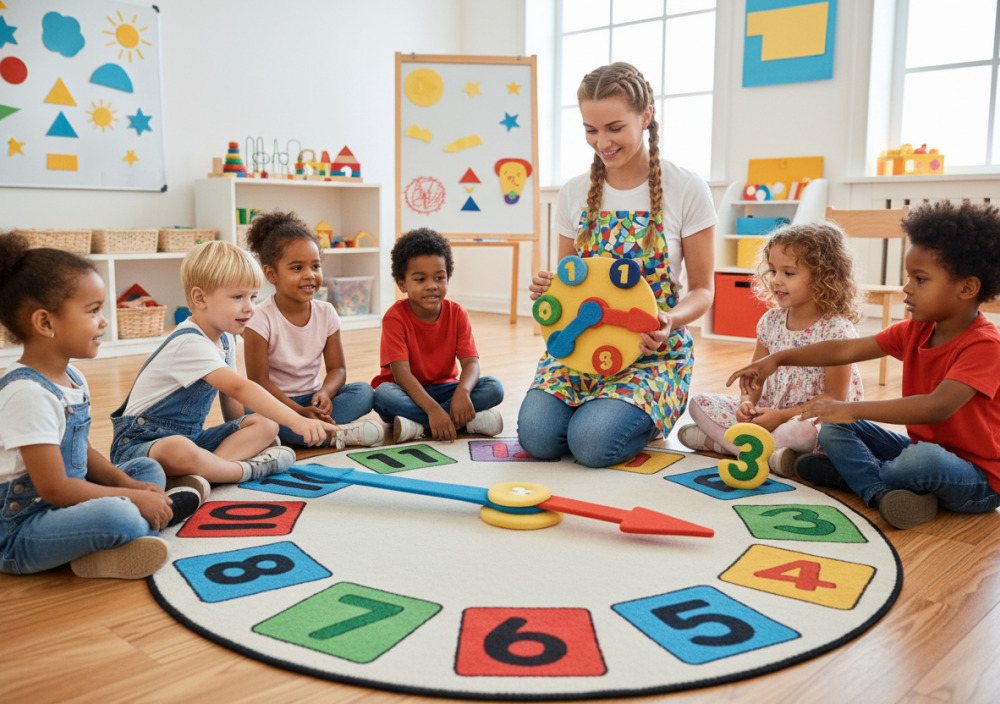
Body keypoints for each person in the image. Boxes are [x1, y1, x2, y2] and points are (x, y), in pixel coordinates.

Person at [727, 201, 1000, 530]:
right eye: (909, 276)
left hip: (979, 479)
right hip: (921, 450)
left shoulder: (985, 346)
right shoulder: (915, 330)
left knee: (917, 460)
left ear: (967, 288)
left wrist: (855, 409)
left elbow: (936, 407)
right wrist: (778, 358)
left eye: (921, 279)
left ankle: (856, 478)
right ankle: (881, 490)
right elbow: (845, 350)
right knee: (833, 427)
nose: (906, 288)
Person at [518, 61, 717, 467]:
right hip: (579, 347)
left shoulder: (686, 187)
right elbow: (569, 283)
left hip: (652, 352)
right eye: (590, 130)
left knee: (591, 444)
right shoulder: (574, 192)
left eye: (614, 128)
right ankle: (595, 411)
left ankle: (637, 412)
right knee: (537, 439)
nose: (601, 142)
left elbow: (703, 290)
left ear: (645, 117)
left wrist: (670, 319)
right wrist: (549, 287)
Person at [0, 233, 202, 579]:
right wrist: (130, 500)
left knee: (146, 471)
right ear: (45, 323)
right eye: (93, 311)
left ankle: (126, 533)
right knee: (118, 515)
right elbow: (55, 489)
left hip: (69, 503)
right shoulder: (27, 394)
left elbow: (84, 452)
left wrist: (131, 486)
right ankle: (138, 525)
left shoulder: (73, 377)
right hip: (23, 530)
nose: (104, 321)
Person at [110, 241, 338, 487]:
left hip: (191, 439)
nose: (250, 307)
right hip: (140, 445)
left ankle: (204, 473)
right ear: (200, 298)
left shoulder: (226, 338)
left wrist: (240, 430)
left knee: (266, 425)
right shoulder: (189, 342)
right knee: (178, 449)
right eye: (238, 297)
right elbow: (241, 388)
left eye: (253, 297)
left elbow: (231, 400)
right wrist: (298, 421)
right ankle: (239, 471)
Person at [677, 223, 864, 476]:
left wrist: (782, 416)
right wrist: (747, 403)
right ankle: (771, 455)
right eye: (773, 270)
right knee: (698, 403)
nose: (776, 280)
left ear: (824, 278)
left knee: (802, 432)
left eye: (789, 273)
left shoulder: (837, 331)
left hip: (808, 419)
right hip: (767, 416)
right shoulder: (770, 322)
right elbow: (755, 379)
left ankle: (719, 445)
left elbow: (835, 399)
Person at [242, 211, 383, 449]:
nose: (310, 275)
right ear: (271, 274)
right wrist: (297, 412)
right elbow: (258, 382)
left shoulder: (326, 312)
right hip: (277, 403)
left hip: (315, 400)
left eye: (315, 266)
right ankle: (336, 433)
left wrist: (326, 394)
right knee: (254, 412)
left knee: (364, 392)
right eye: (297, 268)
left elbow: (338, 369)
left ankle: (315, 432)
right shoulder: (259, 319)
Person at [372, 228, 504, 443]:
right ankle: (461, 423)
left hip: (445, 389)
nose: (431, 286)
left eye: (439, 278)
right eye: (420, 279)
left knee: (493, 387)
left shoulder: (457, 313)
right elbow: (401, 375)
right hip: (406, 391)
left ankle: (417, 426)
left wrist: (462, 392)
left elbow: (471, 364)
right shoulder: (394, 317)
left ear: (447, 278)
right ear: (402, 284)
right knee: (382, 395)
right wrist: (433, 411)